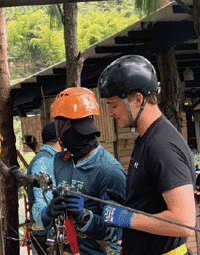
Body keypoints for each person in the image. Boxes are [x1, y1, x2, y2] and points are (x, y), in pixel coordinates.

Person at [97, 55, 197, 255]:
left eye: (113, 104)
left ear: (138, 99)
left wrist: (127, 218)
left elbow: (184, 222)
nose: (109, 113)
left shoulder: (161, 145)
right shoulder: (146, 139)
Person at [42, 87, 126, 255]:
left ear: (68, 126)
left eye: (58, 122)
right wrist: (47, 213)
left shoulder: (108, 171)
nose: (55, 128)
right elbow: (54, 216)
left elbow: (119, 230)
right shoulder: (60, 161)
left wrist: (85, 216)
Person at [27, 120, 61, 255]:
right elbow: (42, 197)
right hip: (46, 232)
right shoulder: (43, 162)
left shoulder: (48, 159)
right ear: (60, 139)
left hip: (47, 230)